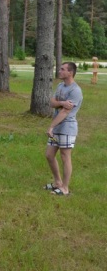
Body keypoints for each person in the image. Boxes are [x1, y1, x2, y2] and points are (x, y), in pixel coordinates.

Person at [44, 62, 83, 197]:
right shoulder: (60, 86)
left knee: (65, 156)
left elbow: (65, 112)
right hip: (57, 127)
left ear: (70, 73)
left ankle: (65, 188)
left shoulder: (75, 91)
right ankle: (57, 183)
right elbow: (52, 103)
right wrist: (61, 102)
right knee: (49, 155)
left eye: (62, 69)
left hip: (67, 128)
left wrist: (51, 126)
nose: (59, 71)